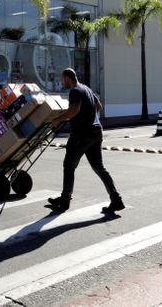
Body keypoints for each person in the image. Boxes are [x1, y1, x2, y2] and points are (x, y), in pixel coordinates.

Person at [46, 68, 124, 214]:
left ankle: (65, 200)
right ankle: (116, 199)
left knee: (69, 166)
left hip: (82, 135)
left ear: (68, 78)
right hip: (95, 133)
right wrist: (88, 117)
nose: (62, 82)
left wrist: (57, 119)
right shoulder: (87, 89)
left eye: (62, 79)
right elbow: (99, 107)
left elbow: (74, 110)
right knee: (99, 168)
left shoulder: (74, 91)